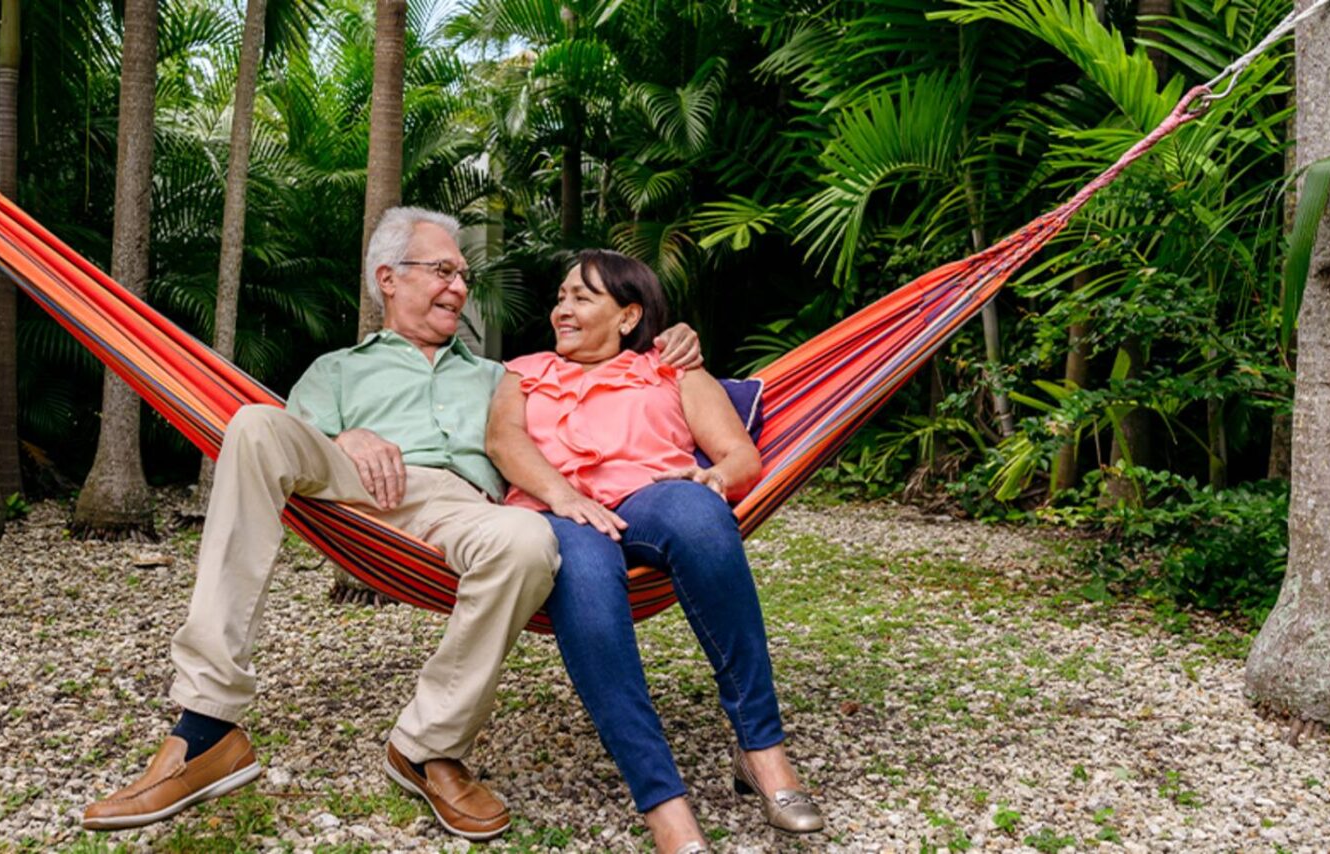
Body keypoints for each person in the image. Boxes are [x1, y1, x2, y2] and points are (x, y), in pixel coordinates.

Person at [81, 209, 702, 841]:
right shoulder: (338, 370)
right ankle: (207, 725)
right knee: (252, 424)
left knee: (529, 540)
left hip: (464, 508)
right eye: (442, 270)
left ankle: (428, 745)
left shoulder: (504, 375)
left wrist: (665, 337)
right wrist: (346, 437)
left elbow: (604, 371)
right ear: (389, 278)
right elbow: (288, 448)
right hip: (355, 495)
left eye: (462, 274)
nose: (459, 287)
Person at [486, 250, 822, 854]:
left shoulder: (671, 370)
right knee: (582, 571)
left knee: (698, 515)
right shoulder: (524, 372)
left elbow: (740, 457)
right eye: (561, 296)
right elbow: (503, 440)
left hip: (650, 499)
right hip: (556, 512)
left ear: (627, 315)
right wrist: (563, 497)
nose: (562, 308)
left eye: (582, 297)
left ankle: (762, 752)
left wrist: (713, 481)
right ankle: (664, 804)